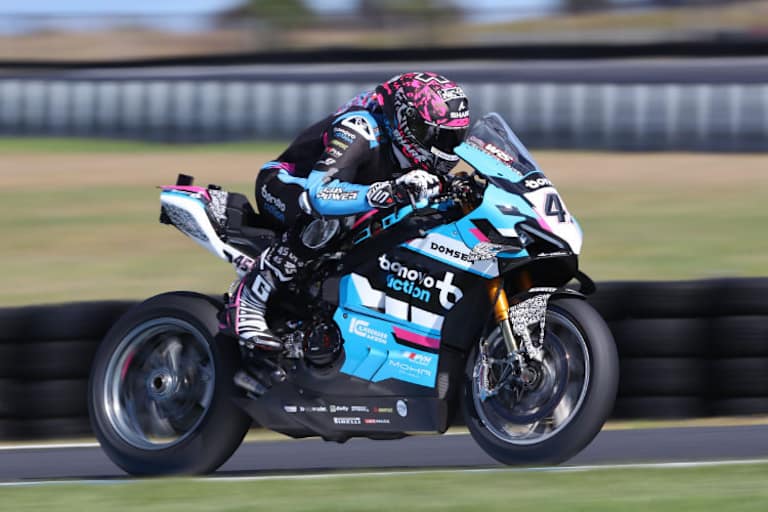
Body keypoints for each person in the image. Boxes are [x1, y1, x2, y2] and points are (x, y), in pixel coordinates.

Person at [223, 71, 471, 355]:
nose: (448, 147)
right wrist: (387, 192)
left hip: (351, 198)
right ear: (407, 121)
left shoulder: (410, 143)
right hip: (287, 188)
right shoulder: (360, 128)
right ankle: (251, 296)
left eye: (455, 136)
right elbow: (319, 194)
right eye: (439, 136)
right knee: (330, 218)